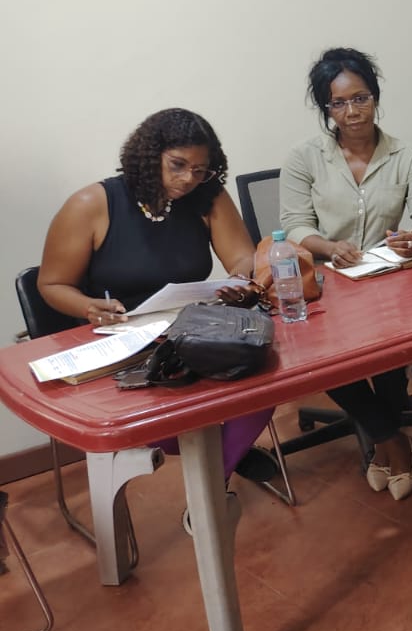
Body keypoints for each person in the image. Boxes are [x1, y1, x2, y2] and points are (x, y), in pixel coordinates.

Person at [36, 108, 276, 482]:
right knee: (164, 420)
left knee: (264, 380)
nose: (188, 179)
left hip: (191, 332)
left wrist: (241, 276)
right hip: (121, 342)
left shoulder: (207, 197)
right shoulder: (93, 204)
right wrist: (87, 306)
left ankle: (214, 479)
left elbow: (243, 257)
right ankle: (224, 460)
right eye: (177, 165)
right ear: (149, 156)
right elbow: (51, 285)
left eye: (200, 170)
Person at [280, 47, 412, 501]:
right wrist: (329, 247)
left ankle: (382, 445)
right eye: (338, 103)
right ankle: (391, 440)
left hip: (388, 280)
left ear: (375, 97)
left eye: (361, 98)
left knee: (392, 345)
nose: (351, 111)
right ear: (325, 108)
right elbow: (294, 224)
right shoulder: (304, 158)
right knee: (322, 356)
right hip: (329, 284)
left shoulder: (406, 155)